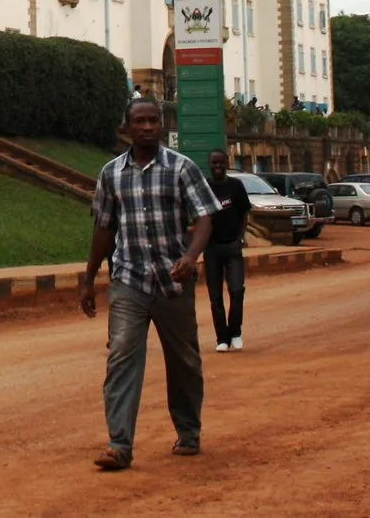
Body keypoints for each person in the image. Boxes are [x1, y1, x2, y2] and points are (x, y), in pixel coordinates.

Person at [80, 99, 221, 471]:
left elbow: (205, 218)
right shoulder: (111, 174)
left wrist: (190, 258)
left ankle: (188, 430)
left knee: (184, 360)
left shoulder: (181, 168)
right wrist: (90, 277)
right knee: (122, 355)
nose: (147, 127)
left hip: (173, 282)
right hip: (129, 279)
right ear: (126, 127)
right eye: (139, 121)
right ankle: (119, 443)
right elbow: (104, 227)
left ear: (162, 125)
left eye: (153, 121)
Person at [202, 151, 250, 354]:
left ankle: (235, 332)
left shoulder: (236, 186)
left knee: (237, 289)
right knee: (215, 296)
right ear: (210, 164)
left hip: (232, 246)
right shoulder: (204, 187)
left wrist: (240, 237)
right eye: (214, 162)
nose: (218, 165)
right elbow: (198, 215)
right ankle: (222, 338)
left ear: (227, 163)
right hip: (211, 248)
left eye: (221, 162)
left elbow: (244, 213)